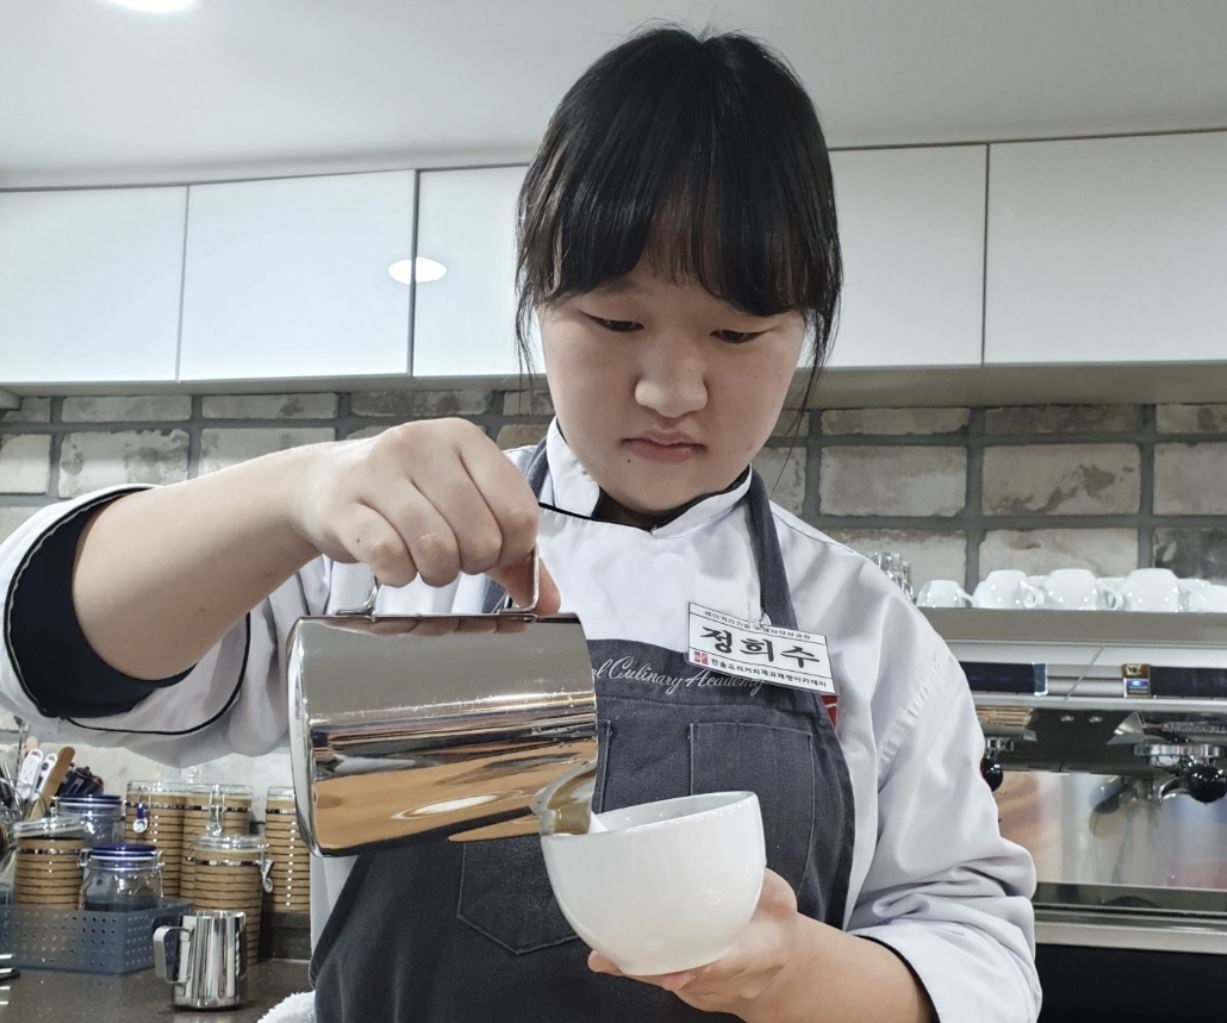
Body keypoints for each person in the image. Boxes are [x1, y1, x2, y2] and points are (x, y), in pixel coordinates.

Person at [0, 26, 1040, 1023]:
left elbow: (977, 955)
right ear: (538, 301)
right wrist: (296, 493)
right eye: (616, 322)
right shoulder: (395, 552)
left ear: (802, 330)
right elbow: (53, 653)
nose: (673, 388)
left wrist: (801, 974)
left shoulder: (866, 629)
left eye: (737, 331)